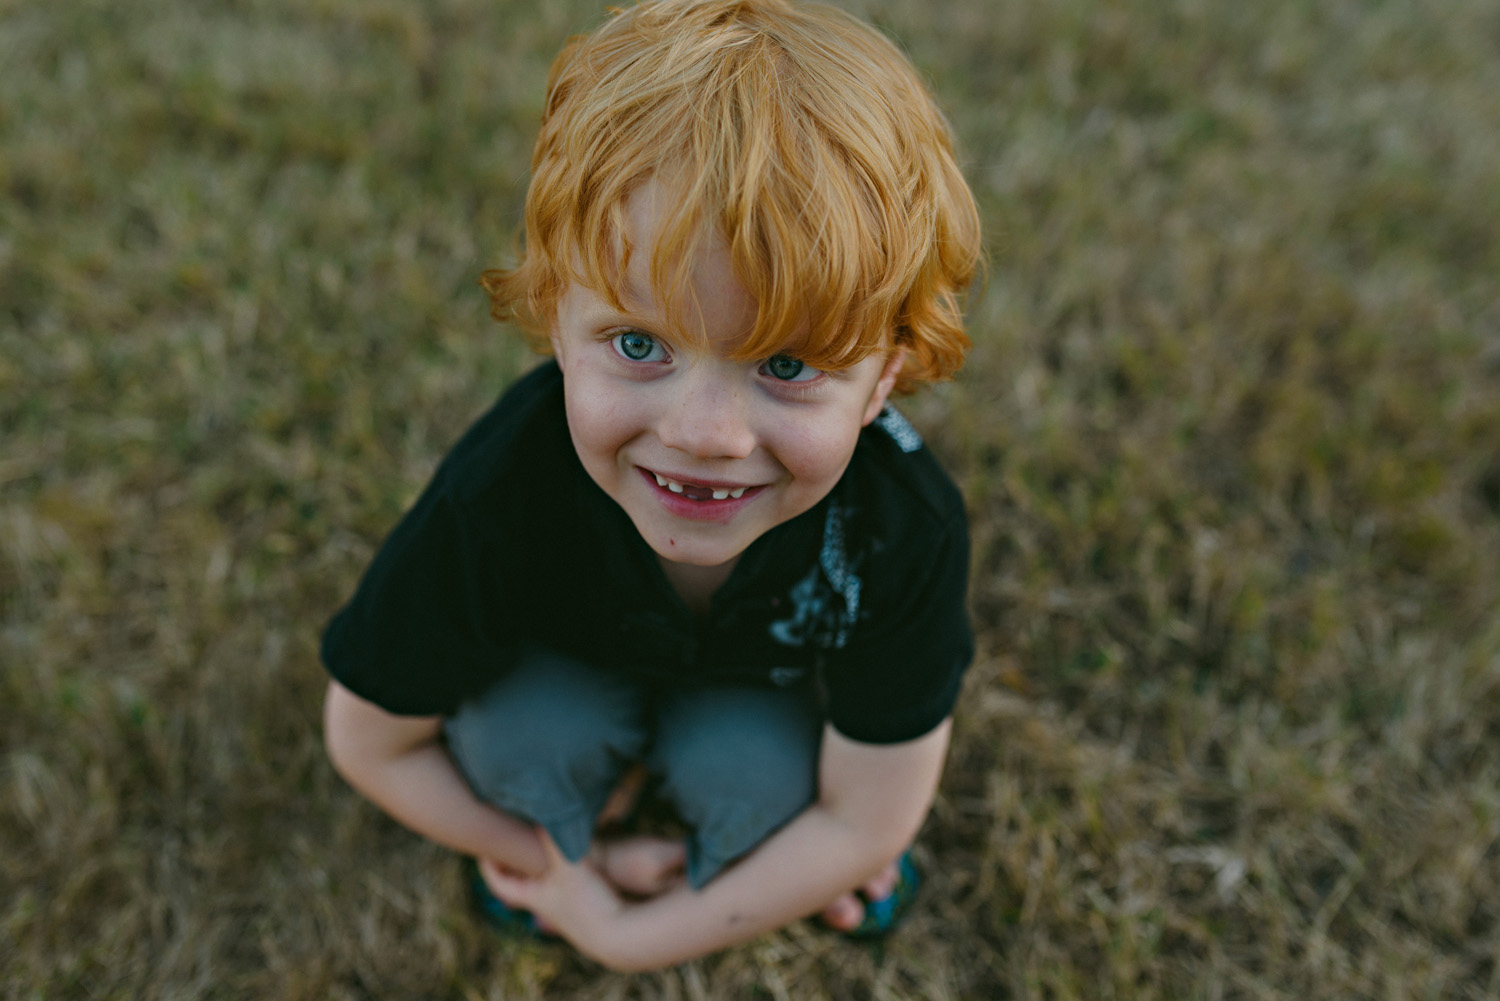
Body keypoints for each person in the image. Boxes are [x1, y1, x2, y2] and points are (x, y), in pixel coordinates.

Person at [320, 0, 980, 973]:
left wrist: (640, 934)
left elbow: (868, 815)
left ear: (886, 375)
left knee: (758, 789)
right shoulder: (503, 491)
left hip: (755, 703)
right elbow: (370, 742)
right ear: (556, 319)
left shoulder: (899, 524)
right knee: (518, 753)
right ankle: (663, 827)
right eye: (639, 344)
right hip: (564, 675)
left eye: (788, 364)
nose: (704, 434)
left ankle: (743, 833)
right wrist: (558, 865)